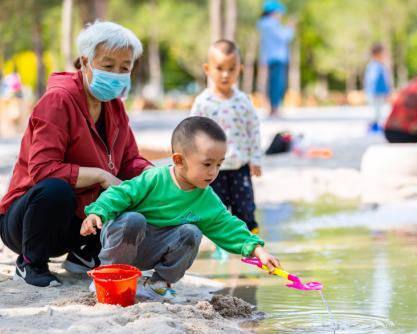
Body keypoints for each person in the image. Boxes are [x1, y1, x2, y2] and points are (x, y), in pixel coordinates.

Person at [0, 21, 152, 287]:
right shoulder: (58, 100)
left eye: (124, 67)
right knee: (57, 189)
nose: (117, 73)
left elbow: (128, 161)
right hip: (28, 221)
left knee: (138, 187)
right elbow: (42, 169)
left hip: (78, 223)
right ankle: (30, 263)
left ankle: (84, 255)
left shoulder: (114, 107)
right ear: (85, 61)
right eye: (108, 65)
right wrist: (101, 176)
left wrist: (152, 174)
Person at [81, 116, 281, 301]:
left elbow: (227, 225)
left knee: (192, 232)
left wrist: (258, 251)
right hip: (124, 240)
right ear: (179, 160)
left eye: (219, 165)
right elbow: (121, 193)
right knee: (134, 219)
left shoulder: (206, 198)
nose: (213, 172)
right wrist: (97, 212)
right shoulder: (155, 178)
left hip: (156, 248)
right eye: (207, 164)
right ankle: (109, 274)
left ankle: (157, 284)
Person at [190, 39, 262, 260]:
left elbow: (253, 130)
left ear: (239, 70)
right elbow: (192, 132)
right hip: (213, 169)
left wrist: (255, 158)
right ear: (207, 69)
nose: (225, 74)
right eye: (219, 68)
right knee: (216, 208)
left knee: (245, 207)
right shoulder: (203, 102)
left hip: (239, 166)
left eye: (231, 69)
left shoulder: (243, 101)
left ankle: (251, 244)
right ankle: (221, 244)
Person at [256, 0, 295, 116]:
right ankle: (274, 107)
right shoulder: (270, 24)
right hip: (276, 57)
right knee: (277, 83)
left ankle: (274, 106)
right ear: (273, 12)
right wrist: (290, 27)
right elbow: (284, 37)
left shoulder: (266, 24)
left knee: (274, 82)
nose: (280, 15)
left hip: (271, 57)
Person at [364, 43, 391, 132]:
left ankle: (375, 125)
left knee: (379, 110)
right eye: (383, 53)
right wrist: (372, 91)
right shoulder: (374, 66)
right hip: (375, 93)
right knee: (375, 111)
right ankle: (373, 126)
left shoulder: (379, 65)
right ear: (377, 53)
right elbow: (372, 80)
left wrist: (387, 91)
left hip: (380, 93)